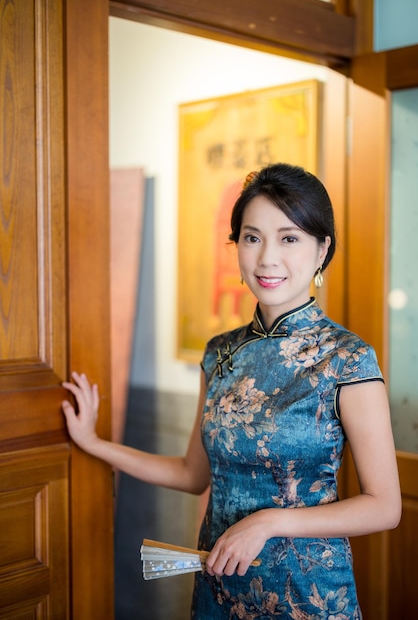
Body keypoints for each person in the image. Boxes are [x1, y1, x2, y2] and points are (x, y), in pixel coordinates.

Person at [62, 163, 401, 619]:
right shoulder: (220, 353)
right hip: (219, 588)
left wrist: (269, 521)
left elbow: (384, 507)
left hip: (305, 595)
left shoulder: (346, 359)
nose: (267, 259)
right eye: (252, 236)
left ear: (322, 250)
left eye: (289, 238)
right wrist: (94, 444)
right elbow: (191, 474)